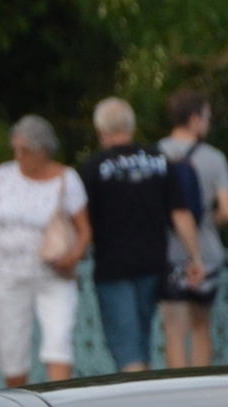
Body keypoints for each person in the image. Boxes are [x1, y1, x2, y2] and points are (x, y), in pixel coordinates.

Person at [78, 97, 202, 374]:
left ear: (101, 131)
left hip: (113, 268)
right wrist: (196, 257)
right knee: (142, 343)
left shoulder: (93, 168)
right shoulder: (159, 161)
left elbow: (82, 223)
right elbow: (180, 214)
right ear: (131, 127)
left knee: (127, 349)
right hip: (153, 264)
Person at [0, 116, 90, 387]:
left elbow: (85, 230)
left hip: (53, 275)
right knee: (11, 350)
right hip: (7, 273)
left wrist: (73, 256)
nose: (19, 155)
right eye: (16, 148)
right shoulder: (3, 176)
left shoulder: (67, 179)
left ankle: (59, 402)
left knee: (58, 340)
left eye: (25, 150)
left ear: (44, 151)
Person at [158, 89, 228, 370]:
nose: (209, 122)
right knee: (201, 328)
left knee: (175, 332)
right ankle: (201, 394)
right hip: (207, 251)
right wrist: (206, 224)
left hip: (168, 253)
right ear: (193, 118)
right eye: (207, 116)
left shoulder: (156, 154)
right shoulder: (215, 158)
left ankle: (178, 398)